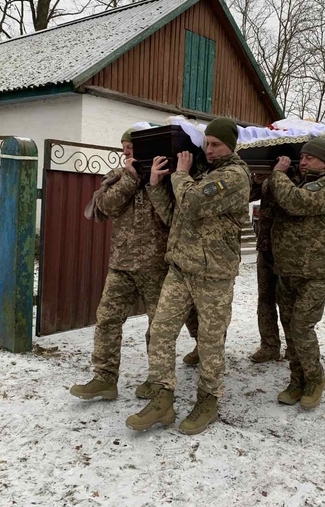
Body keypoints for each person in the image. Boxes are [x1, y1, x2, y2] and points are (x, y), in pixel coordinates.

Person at [126, 118, 250, 435]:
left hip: (214, 276)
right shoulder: (200, 175)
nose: (208, 150)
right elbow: (175, 216)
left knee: (209, 343)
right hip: (181, 269)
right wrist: (155, 185)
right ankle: (163, 397)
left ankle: (208, 400)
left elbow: (193, 203)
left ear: (230, 146)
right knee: (160, 333)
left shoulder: (234, 177)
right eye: (206, 143)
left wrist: (180, 174)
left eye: (215, 145)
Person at [70, 128, 173, 401]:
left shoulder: (166, 176)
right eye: (123, 146)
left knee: (159, 326)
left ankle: (157, 379)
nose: (126, 151)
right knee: (107, 319)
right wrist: (130, 177)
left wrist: (154, 182)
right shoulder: (118, 176)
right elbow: (105, 206)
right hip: (122, 264)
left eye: (130, 146)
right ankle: (104, 378)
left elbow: (172, 216)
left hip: (155, 265)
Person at [265, 137, 325, 410]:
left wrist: (278, 175)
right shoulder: (299, 180)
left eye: (309, 158)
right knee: (290, 329)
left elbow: (295, 201)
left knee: (302, 328)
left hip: (314, 273)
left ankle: (315, 379)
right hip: (288, 270)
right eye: (301, 158)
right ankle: (296, 380)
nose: (303, 162)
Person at [247, 171, 286, 363]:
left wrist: (280, 174)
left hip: (289, 251)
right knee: (265, 300)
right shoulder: (268, 176)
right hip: (266, 246)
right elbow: (246, 196)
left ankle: (296, 349)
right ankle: (269, 346)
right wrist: (256, 181)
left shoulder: (300, 174)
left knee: (288, 304)